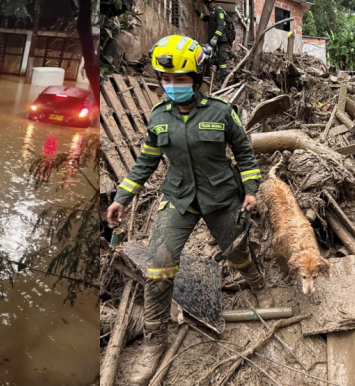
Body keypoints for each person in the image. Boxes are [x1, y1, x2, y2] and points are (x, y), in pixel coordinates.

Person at [106, 35, 266, 385]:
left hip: (221, 196)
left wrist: (251, 190)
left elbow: (245, 154)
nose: (172, 86)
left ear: (197, 79)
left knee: (237, 252)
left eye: (180, 79)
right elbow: (144, 164)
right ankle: (154, 341)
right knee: (158, 267)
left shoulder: (222, 113)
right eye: (166, 79)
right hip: (177, 199)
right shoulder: (158, 118)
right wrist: (121, 197)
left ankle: (254, 279)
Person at [194, 0, 235, 84]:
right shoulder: (213, 12)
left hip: (220, 41)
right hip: (212, 41)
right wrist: (196, 11)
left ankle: (223, 79)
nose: (206, 6)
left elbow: (221, 25)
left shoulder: (219, 11)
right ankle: (210, 76)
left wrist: (216, 37)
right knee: (208, 57)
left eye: (206, 4)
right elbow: (205, 18)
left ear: (210, 2)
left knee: (222, 60)